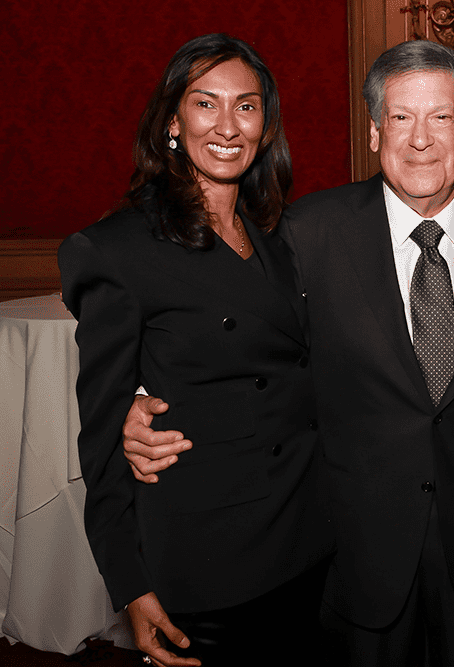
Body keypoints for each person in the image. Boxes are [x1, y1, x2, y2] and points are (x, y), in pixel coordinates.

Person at [123, 40, 454, 666]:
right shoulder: (306, 233)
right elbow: (236, 342)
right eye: (401, 117)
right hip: (349, 551)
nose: (420, 138)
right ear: (373, 131)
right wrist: (139, 401)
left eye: (440, 117)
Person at [58, 33, 334, 667]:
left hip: (311, 540)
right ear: (173, 122)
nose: (229, 125)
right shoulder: (120, 249)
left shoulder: (282, 236)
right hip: (210, 559)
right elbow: (99, 446)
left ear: (267, 126)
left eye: (248, 106)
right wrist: (130, 585)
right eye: (206, 103)